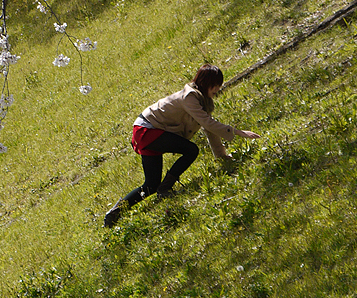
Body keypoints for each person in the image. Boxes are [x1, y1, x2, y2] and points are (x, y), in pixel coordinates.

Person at [104, 64, 260, 227]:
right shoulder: (190, 97)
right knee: (191, 150)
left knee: (151, 184)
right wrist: (238, 132)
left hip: (148, 131)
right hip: (147, 131)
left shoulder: (202, 100)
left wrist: (222, 156)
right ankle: (165, 190)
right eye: (215, 86)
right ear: (207, 84)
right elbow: (209, 123)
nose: (217, 90)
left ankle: (116, 212)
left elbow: (209, 127)